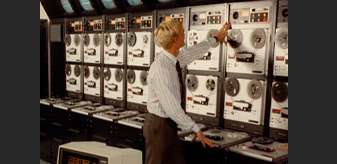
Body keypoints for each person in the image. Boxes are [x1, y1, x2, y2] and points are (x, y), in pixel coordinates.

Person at [143, 19, 230, 164]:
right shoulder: (161, 69)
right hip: (158, 126)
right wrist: (195, 128)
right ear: (176, 39)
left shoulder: (172, 59)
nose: (185, 34)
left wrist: (215, 39)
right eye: (183, 32)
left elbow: (192, 52)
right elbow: (172, 108)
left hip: (169, 125)